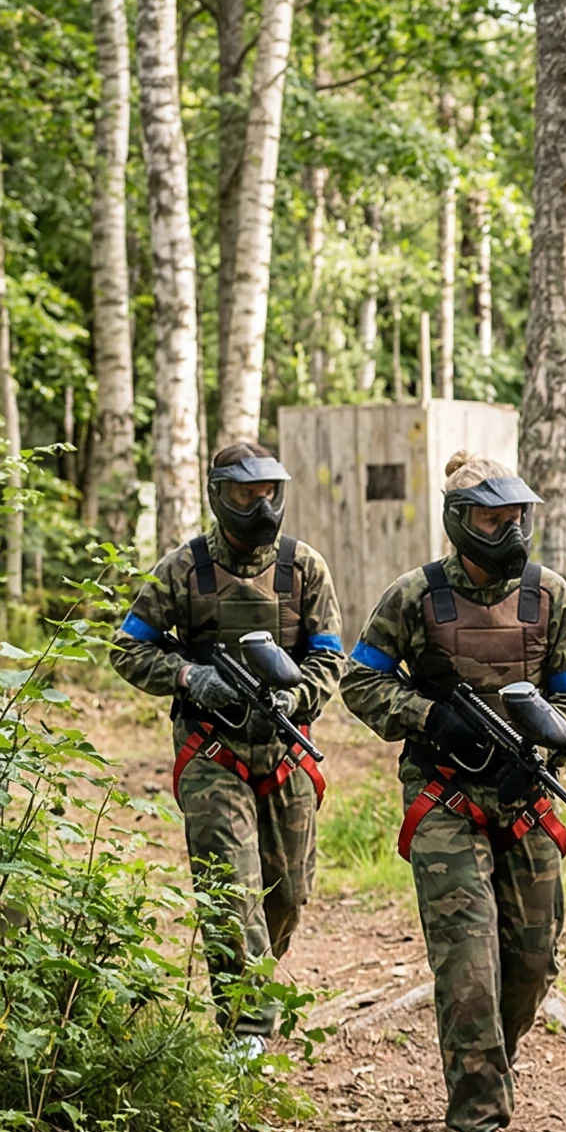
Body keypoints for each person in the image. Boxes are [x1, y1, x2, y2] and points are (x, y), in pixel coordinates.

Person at [342, 453, 566, 1132]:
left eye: (516, 515)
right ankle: (477, 1117)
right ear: (460, 522)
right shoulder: (414, 596)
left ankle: (491, 1056)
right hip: (444, 798)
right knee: (468, 962)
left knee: (533, 958)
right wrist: (428, 718)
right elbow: (360, 681)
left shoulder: (550, 597)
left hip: (525, 797)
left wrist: (550, 738)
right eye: (493, 517)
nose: (508, 528)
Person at [113, 441, 344, 1057]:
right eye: (246, 494)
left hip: (285, 750)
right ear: (220, 494)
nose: (261, 505)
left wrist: (298, 700)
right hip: (212, 751)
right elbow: (128, 648)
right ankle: (246, 1031)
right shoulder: (183, 569)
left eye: (269, 492)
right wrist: (192, 678)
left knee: (287, 895)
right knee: (231, 891)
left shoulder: (303, 568)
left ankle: (255, 985)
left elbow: (329, 657)